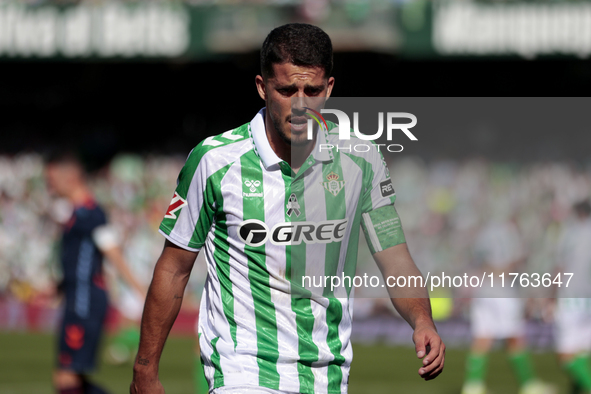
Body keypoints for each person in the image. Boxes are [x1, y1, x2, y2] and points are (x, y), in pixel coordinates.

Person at [131, 23, 444, 394]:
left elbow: (395, 259)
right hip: (243, 372)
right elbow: (175, 267)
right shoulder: (215, 161)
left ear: (329, 88)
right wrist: (145, 368)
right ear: (262, 87)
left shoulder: (361, 158)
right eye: (286, 90)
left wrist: (423, 320)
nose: (299, 104)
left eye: (311, 90)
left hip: (328, 375)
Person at [45, 151, 146, 394]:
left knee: (66, 377)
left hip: (85, 302)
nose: (49, 186)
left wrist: (142, 290)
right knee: (70, 378)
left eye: (52, 180)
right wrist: (58, 287)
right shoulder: (77, 214)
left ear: (69, 178)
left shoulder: (92, 214)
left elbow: (113, 253)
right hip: (76, 300)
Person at [461, 216, 554, 394]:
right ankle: (529, 385)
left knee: (482, 339)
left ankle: (473, 385)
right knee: (515, 339)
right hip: (504, 291)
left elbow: (479, 261)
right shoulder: (511, 233)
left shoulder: (484, 233)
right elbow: (513, 261)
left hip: (484, 290)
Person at [554, 200, 591, 394]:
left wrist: (551, 296)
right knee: (582, 351)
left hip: (572, 297)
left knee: (565, 356)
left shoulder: (571, 232)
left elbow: (560, 267)